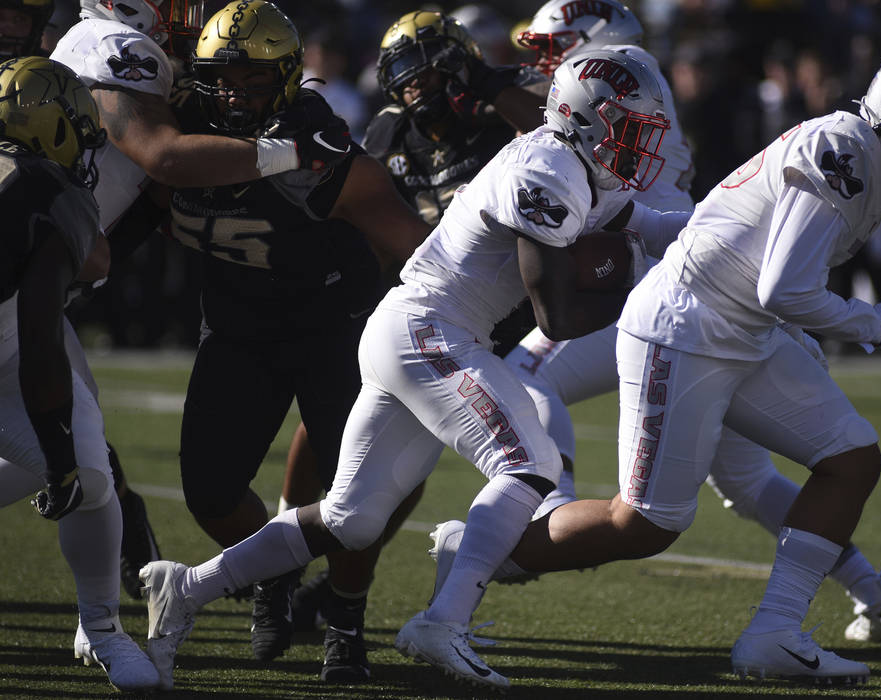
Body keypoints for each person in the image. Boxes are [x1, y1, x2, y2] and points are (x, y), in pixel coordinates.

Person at [431, 44, 881, 686]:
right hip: (684, 329)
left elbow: (769, 283)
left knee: (852, 457)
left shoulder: (861, 153)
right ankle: (478, 552)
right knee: (643, 523)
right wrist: (868, 321)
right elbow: (786, 288)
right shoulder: (847, 150)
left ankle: (776, 632)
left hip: (740, 326)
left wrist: (799, 334)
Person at [138, 45, 686, 691]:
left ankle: (187, 588)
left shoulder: (575, 163)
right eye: (630, 127)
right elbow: (557, 317)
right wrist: (648, 291)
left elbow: (656, 224)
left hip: (413, 329)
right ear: (588, 118)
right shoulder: (549, 167)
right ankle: (444, 621)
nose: (639, 144)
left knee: (350, 517)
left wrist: (733, 232)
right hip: (432, 329)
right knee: (530, 463)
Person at [117, 0, 428, 689]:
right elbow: (157, 163)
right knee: (210, 491)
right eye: (220, 78)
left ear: (287, 77)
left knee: (358, 492)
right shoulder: (184, 122)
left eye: (251, 79)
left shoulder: (321, 150)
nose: (231, 93)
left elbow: (413, 243)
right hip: (237, 328)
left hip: (333, 329)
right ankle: (275, 572)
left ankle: (345, 620)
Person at [278, 9, 548, 681]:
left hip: (497, 321)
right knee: (325, 422)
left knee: (407, 477)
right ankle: (283, 566)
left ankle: (334, 589)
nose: (420, 88)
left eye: (433, 72)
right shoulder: (387, 133)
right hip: (416, 307)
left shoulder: (502, 113)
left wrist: (487, 82)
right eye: (407, 76)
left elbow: (552, 138)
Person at [48, 0, 342, 601]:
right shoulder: (111, 45)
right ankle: (117, 610)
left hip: (44, 280)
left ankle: (109, 616)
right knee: (67, 462)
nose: (187, 12)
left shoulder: (131, 59)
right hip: (23, 275)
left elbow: (146, 199)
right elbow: (166, 159)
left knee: (82, 463)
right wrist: (291, 152)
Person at [0, 55, 159, 692]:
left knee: (89, 475)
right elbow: (41, 329)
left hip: (8, 348)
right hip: (18, 348)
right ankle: (101, 626)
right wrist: (59, 457)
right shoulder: (45, 190)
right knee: (85, 476)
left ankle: (100, 629)